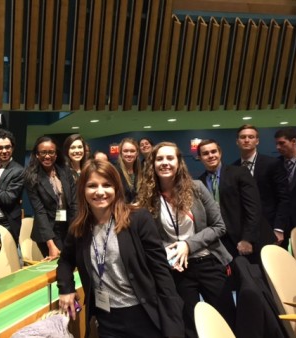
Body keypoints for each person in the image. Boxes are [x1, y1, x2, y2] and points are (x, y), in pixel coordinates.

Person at [57, 159, 184, 338]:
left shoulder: (138, 219)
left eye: (107, 185)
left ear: (116, 188)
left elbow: (161, 272)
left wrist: (174, 323)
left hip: (144, 314)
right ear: (83, 190)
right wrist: (66, 288)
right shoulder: (79, 227)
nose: (100, 192)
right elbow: (65, 260)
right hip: (106, 318)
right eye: (92, 185)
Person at [137, 142, 236, 338]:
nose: (165, 163)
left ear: (178, 162)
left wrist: (188, 245)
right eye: (159, 159)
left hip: (209, 262)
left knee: (225, 321)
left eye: (170, 158)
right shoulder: (148, 198)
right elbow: (151, 238)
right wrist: (167, 251)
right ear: (153, 164)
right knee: (188, 326)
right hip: (177, 269)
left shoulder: (196, 188)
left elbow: (219, 226)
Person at [197, 139, 268, 263]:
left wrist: (248, 239)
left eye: (214, 151)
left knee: (254, 279)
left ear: (220, 153)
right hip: (222, 242)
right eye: (205, 153)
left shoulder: (239, 173)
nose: (211, 156)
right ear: (200, 157)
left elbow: (253, 208)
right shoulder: (199, 182)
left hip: (246, 239)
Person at [233, 124, 289, 246]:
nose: (247, 140)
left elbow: (284, 198)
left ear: (257, 141)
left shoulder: (273, 164)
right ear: (237, 142)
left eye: (251, 137)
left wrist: (279, 228)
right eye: (243, 137)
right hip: (245, 231)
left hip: (271, 226)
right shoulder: (233, 168)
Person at [24, 136, 77, 259]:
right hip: (47, 230)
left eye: (51, 152)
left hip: (66, 225)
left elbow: (74, 203)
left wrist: (75, 231)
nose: (47, 156)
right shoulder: (31, 177)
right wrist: (50, 244)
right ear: (37, 155)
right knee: (60, 264)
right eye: (43, 152)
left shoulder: (65, 171)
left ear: (56, 154)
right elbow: (39, 211)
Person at [0, 129, 24, 245]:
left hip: (7, 222)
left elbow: (8, 198)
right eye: (0, 148)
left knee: (9, 260)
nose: (4, 151)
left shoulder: (19, 171)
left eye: (8, 147)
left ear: (12, 148)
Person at [275, 128, 296, 248]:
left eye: (282, 143)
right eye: (276, 144)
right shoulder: (275, 164)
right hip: (281, 222)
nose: (278, 147)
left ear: (294, 141)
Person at [116, 138, 142, 203]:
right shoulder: (115, 171)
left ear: (137, 153)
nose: (129, 154)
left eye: (132, 151)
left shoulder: (141, 171)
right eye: (125, 151)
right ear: (121, 153)